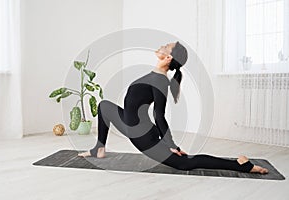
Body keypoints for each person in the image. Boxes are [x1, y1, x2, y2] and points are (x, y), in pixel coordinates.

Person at [78, 41, 268, 174]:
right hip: (129, 124)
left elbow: (159, 115)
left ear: (168, 57)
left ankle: (241, 165)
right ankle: (99, 149)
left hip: (144, 137)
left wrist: (170, 145)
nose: (161, 46)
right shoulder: (153, 75)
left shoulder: (160, 81)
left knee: (184, 163)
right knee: (104, 106)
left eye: (165, 46)